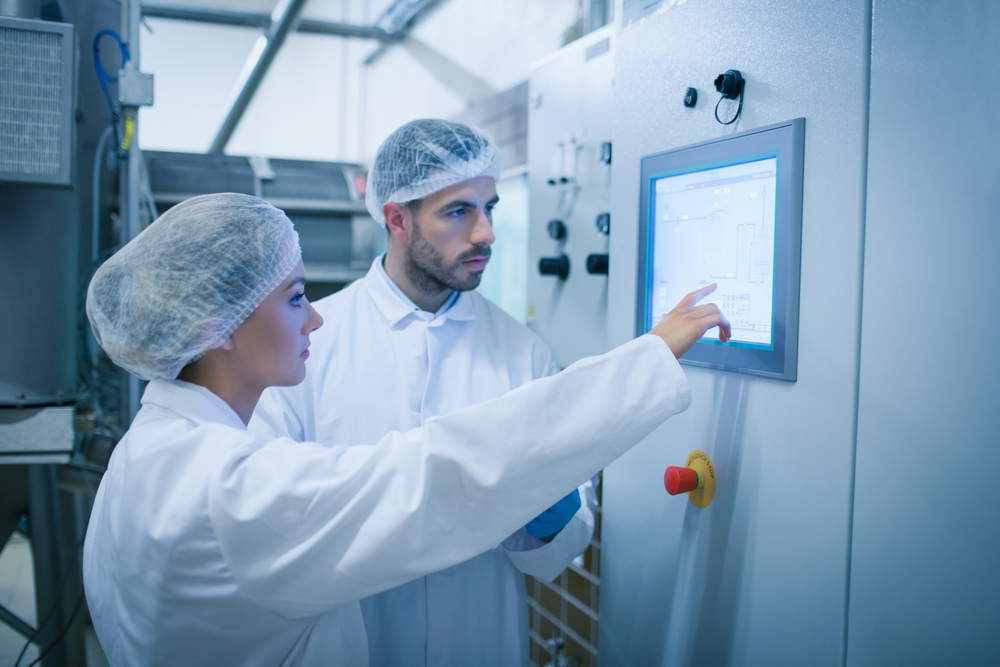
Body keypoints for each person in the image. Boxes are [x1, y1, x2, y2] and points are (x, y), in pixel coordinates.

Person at [82, 193, 729, 666]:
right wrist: (647, 359)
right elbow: (432, 475)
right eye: (295, 296)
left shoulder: (143, 453)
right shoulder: (230, 492)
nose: (314, 320)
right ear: (213, 327)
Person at [251, 119, 593, 666]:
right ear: (397, 219)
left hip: (480, 641)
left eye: (489, 208)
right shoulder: (310, 346)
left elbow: (563, 547)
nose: (486, 233)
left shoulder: (522, 353)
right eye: (459, 211)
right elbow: (264, 516)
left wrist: (551, 512)